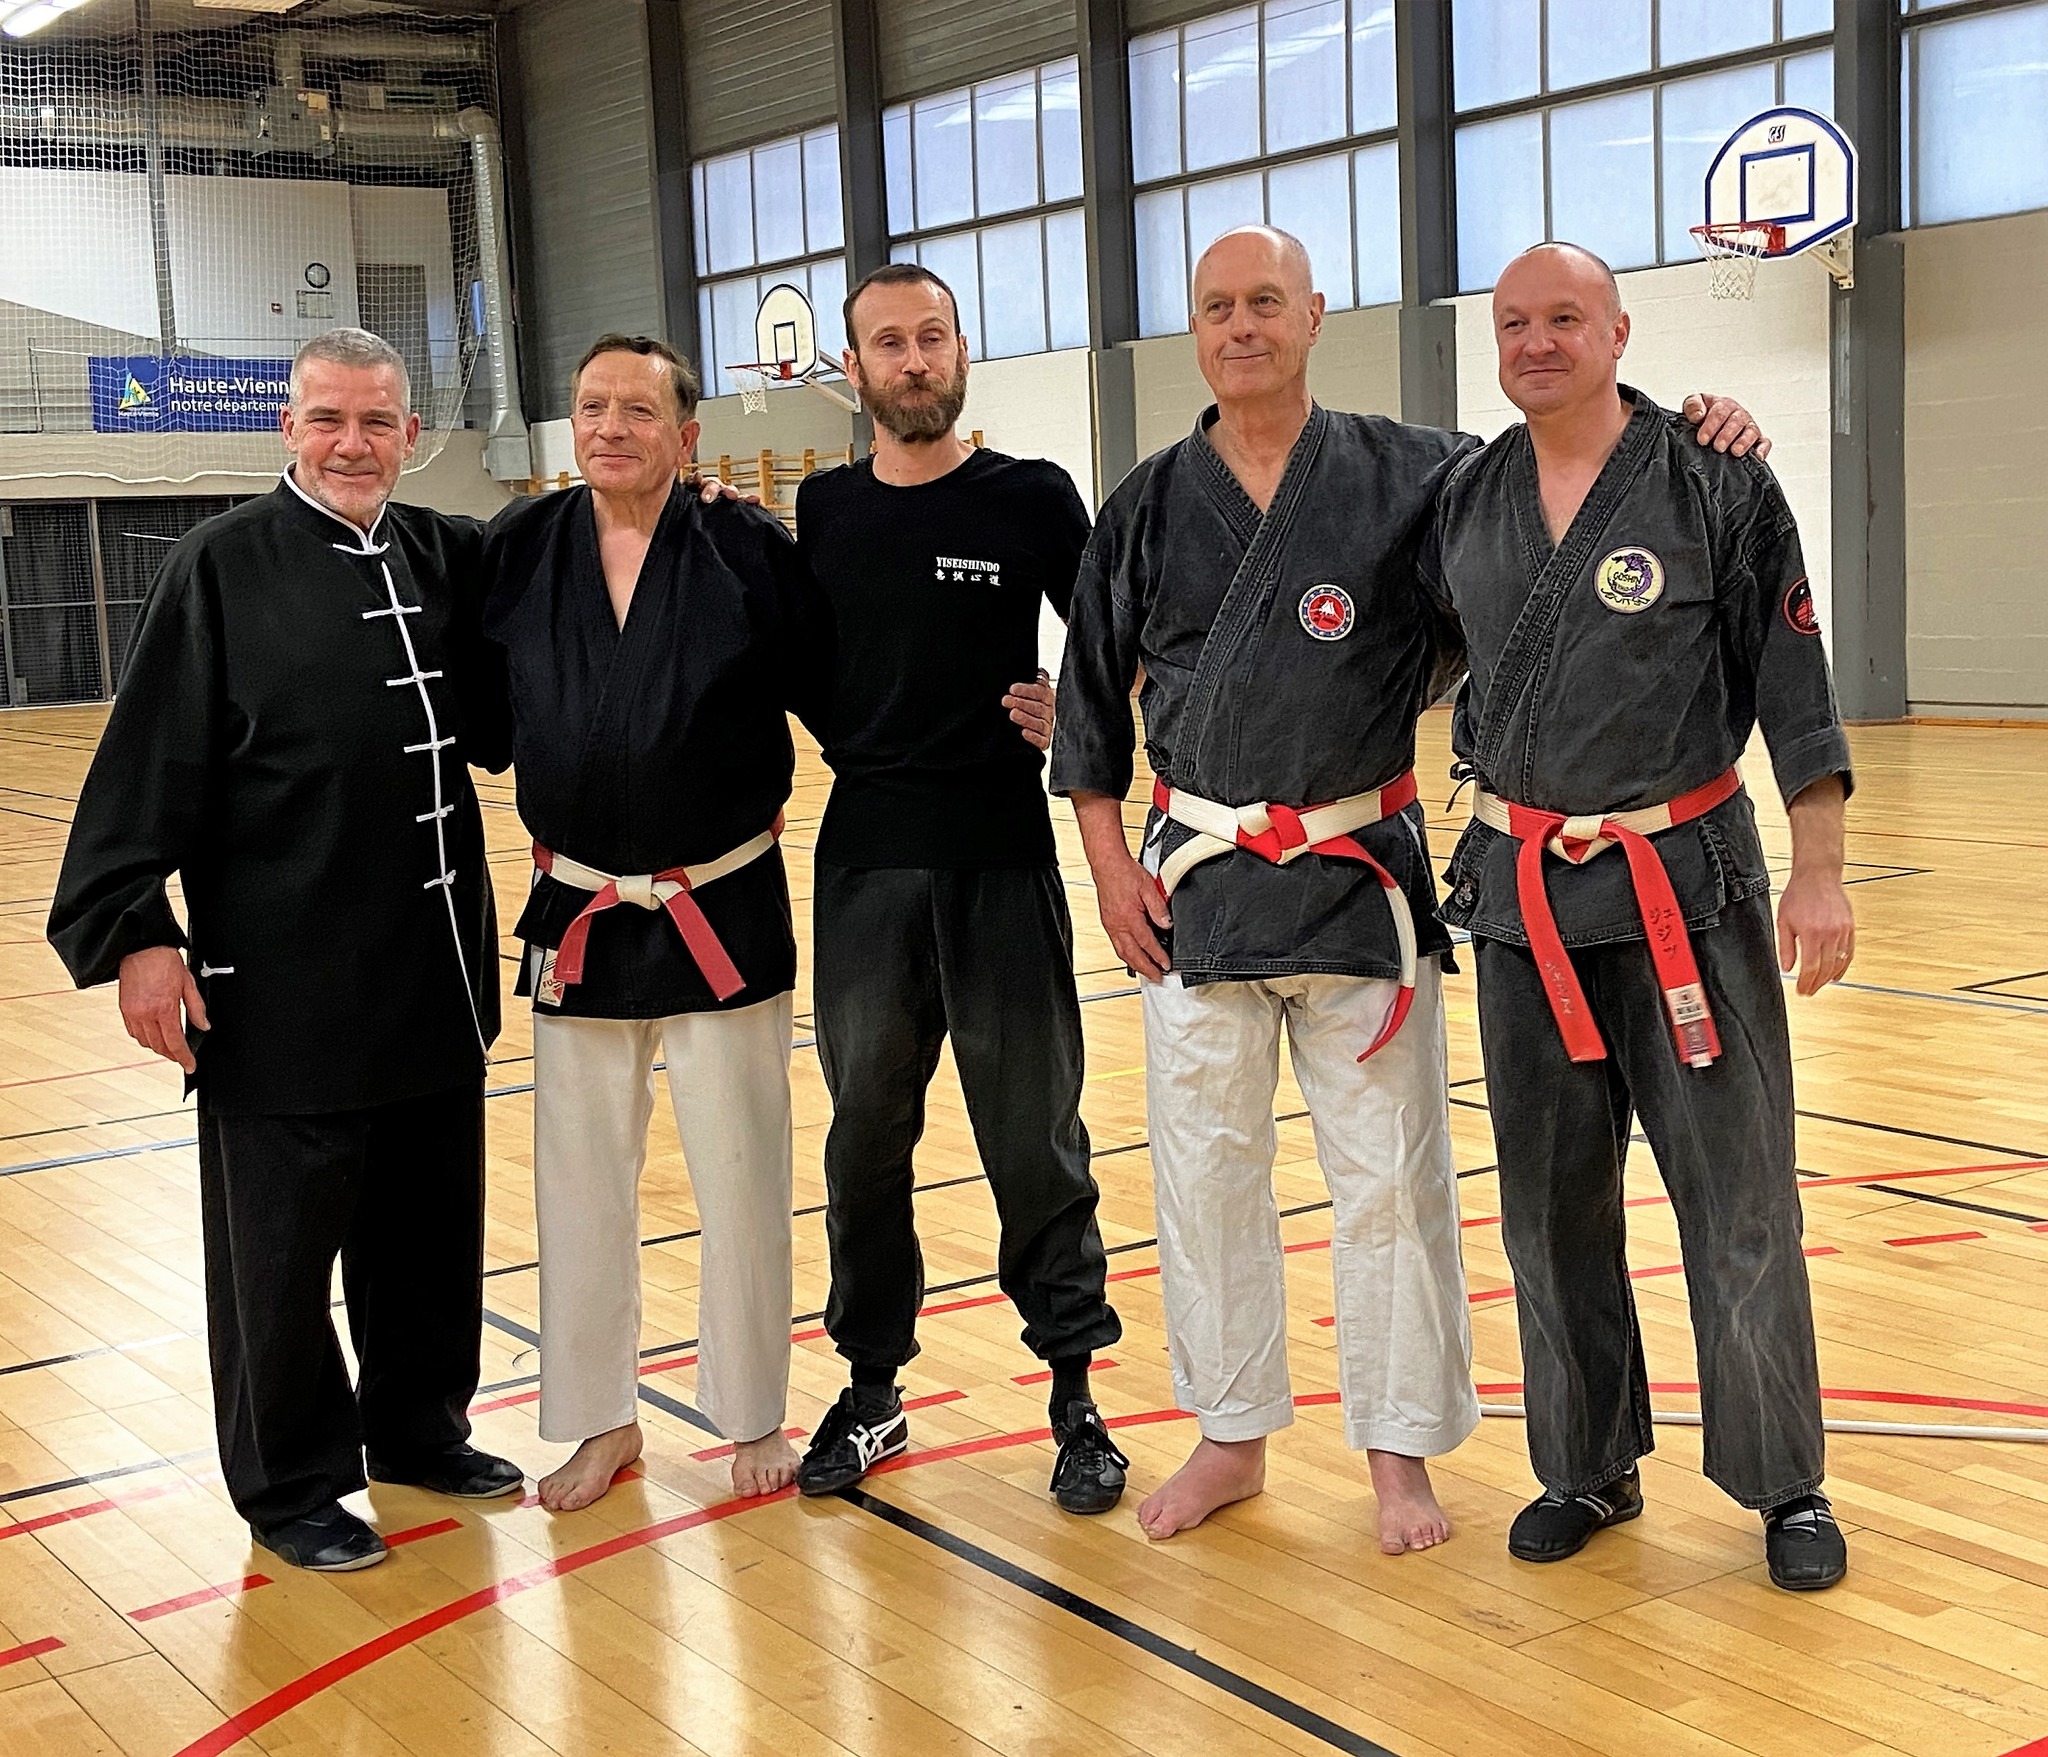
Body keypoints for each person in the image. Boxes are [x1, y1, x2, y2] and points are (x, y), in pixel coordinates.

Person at [1052, 226, 1765, 1551]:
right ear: (1194, 330)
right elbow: (1088, 709)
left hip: (1358, 880)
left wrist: (1697, 429)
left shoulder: (1416, 475)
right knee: (1205, 1176)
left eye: (1266, 301)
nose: (1241, 326)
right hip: (1194, 883)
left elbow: (1565, 484)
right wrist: (1107, 874)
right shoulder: (1145, 503)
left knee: (1391, 1178)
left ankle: (1398, 1450)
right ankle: (1230, 1434)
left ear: (1313, 314)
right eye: (1217, 307)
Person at [46, 328, 521, 1574]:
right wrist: (139, 935)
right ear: (288, 428)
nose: (352, 444)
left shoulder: (443, 554)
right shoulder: (216, 566)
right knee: (279, 1260)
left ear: (410, 433)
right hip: (282, 989)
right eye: (327, 419)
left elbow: (540, 641)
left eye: (375, 422)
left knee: (426, 1231)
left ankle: (418, 1427)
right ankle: (289, 1482)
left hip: (433, 973)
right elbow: (143, 763)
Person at [1426, 242, 1852, 1592]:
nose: (1537, 341)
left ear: (1617, 331)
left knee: (1739, 1200)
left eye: (1565, 317)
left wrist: (1821, 868)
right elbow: (1372, 652)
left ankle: (1785, 1482)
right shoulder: (1464, 497)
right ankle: (1586, 1463)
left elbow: (1793, 683)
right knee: (1547, 1211)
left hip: (1688, 892)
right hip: (1525, 902)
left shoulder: (1717, 477)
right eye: (1514, 322)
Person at [791, 263, 1126, 1513]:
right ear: (855, 369)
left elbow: (1117, 643)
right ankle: (871, 1384)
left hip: (999, 857)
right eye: (889, 342)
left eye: (931, 335)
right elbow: (789, 662)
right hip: (864, 865)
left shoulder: (1029, 496)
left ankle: (1075, 1399)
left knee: (1034, 1136)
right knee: (864, 1139)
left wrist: (1074, 710)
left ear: (961, 350)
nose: (914, 359)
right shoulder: (822, 508)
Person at [480, 335, 816, 1511]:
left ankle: (752, 1411)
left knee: (741, 1165)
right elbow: (481, 711)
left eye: (637, 409)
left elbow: (839, 685)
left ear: (687, 434)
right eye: (590, 407)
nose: (610, 427)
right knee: (576, 1177)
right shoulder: (519, 545)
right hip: (574, 903)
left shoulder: (744, 545)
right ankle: (597, 1419)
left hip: (720, 897)